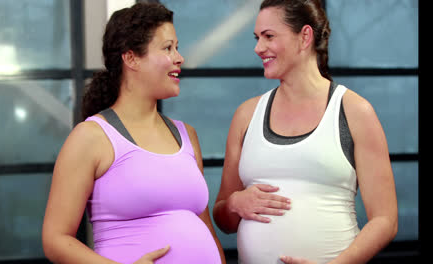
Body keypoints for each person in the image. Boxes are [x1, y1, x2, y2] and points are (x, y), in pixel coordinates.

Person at [212, 0, 398, 263]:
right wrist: (233, 204)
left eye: (269, 36)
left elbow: (385, 220)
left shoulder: (354, 111)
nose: (258, 48)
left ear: (305, 37)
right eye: (257, 37)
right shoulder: (247, 115)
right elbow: (223, 219)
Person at [42, 3, 226, 264]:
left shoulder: (186, 135)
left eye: (177, 47)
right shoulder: (91, 137)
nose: (179, 57)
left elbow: (205, 230)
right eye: (168, 48)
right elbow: (56, 239)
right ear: (131, 58)